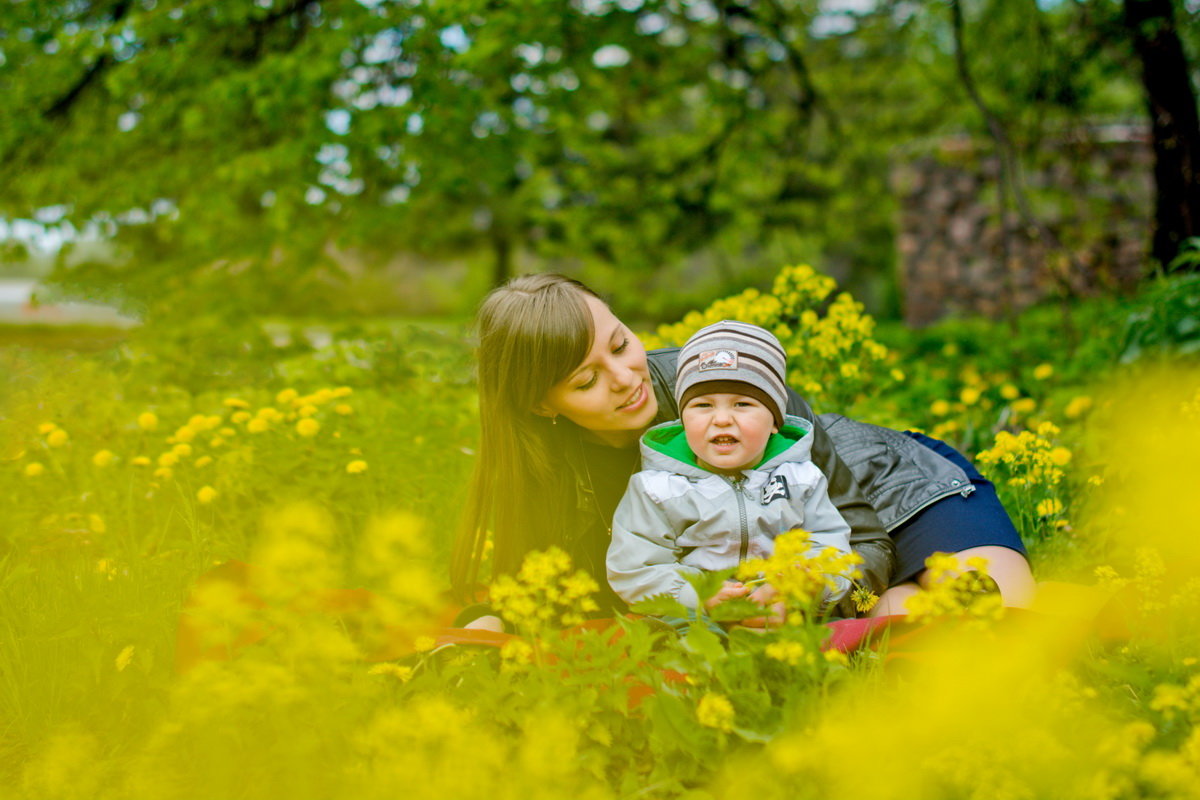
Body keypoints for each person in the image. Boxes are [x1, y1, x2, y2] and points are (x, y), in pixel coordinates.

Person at [451, 274, 1035, 629]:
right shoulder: (545, 467)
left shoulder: (722, 381)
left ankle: (890, 600)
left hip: (891, 494)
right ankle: (893, 603)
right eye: (585, 381)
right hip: (807, 553)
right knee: (906, 626)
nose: (625, 378)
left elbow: (862, 537)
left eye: (621, 343)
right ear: (540, 406)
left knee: (1006, 614)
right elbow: (530, 591)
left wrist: (810, 596)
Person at [606, 320, 854, 621]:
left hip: (782, 610)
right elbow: (635, 568)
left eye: (742, 404)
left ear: (775, 421)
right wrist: (697, 593)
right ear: (683, 420)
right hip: (693, 618)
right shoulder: (658, 489)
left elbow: (830, 544)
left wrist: (811, 581)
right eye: (703, 406)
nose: (721, 419)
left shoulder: (801, 478)